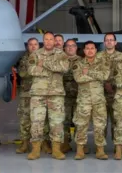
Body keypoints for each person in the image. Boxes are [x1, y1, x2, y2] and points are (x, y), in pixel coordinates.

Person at [27, 32, 70, 160]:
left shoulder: (61, 54)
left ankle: (56, 149)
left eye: (51, 39)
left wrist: (43, 64)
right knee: (36, 122)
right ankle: (36, 149)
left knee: (57, 122)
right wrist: (50, 67)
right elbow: (31, 70)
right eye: (46, 39)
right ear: (43, 41)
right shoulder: (35, 54)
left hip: (56, 93)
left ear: (54, 41)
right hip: (38, 93)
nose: (49, 41)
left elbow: (64, 68)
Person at [71, 41, 110, 160]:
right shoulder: (78, 63)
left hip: (99, 100)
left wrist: (88, 72)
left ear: (95, 50)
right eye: (87, 48)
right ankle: (80, 149)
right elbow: (78, 78)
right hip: (84, 100)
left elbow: (105, 76)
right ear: (83, 50)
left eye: (92, 48)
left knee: (100, 125)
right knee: (81, 125)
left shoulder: (103, 62)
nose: (90, 50)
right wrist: (95, 75)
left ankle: (100, 150)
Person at [16, 38, 39, 154]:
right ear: (27, 46)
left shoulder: (43, 56)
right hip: (26, 93)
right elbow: (22, 73)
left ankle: (42, 144)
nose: (33, 47)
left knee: (40, 120)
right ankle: (24, 143)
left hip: (40, 93)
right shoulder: (24, 59)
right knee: (25, 119)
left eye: (35, 44)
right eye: (31, 45)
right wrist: (37, 70)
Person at [100, 32, 122, 143]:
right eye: (107, 40)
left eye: (111, 40)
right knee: (101, 121)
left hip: (117, 93)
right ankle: (101, 146)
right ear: (104, 42)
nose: (109, 42)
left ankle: (118, 146)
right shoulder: (98, 56)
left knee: (117, 121)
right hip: (101, 94)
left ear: (115, 42)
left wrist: (113, 85)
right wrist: (105, 83)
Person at [61, 39, 80, 152]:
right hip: (65, 96)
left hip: (79, 96)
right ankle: (65, 143)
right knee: (65, 121)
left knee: (80, 121)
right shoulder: (61, 61)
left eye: (73, 46)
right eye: (68, 46)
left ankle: (80, 144)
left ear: (76, 48)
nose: (70, 48)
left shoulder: (82, 61)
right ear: (64, 48)